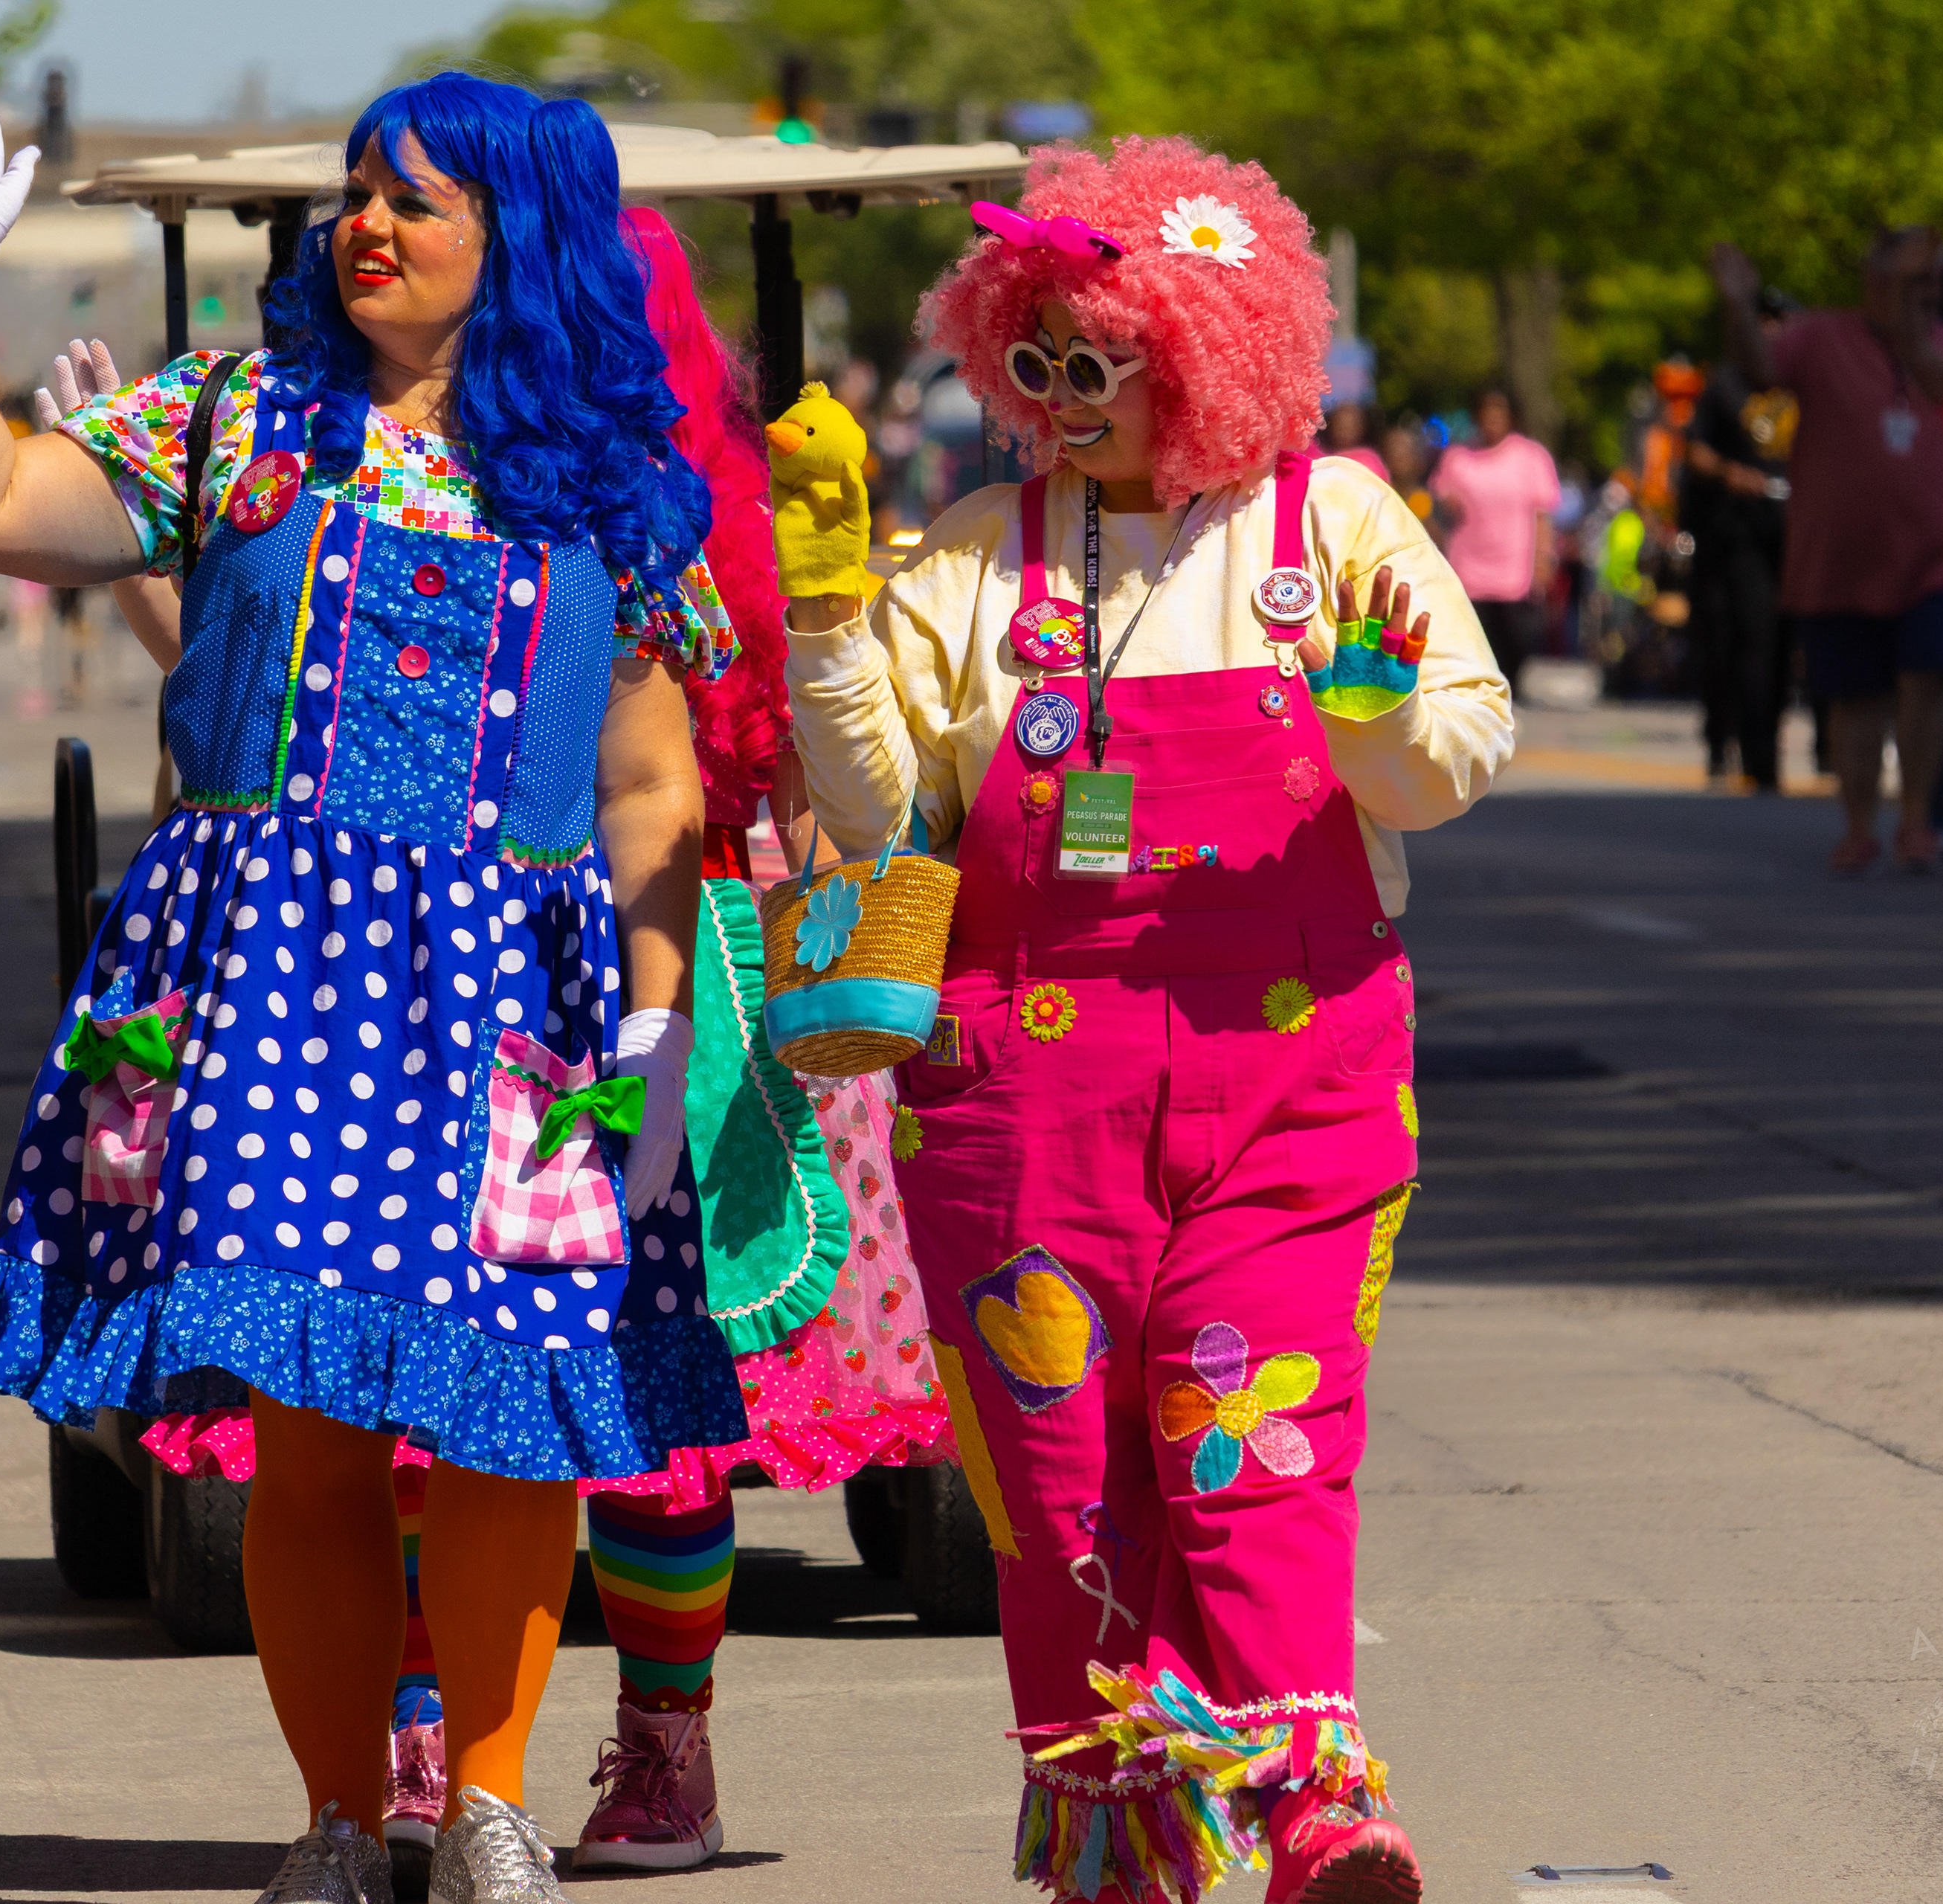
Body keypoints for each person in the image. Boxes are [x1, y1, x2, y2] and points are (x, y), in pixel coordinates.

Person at [0, 83, 747, 1904]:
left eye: (416, 201)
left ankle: (493, 1809)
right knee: (310, 1435)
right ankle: (343, 1816)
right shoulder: (233, 421)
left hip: (518, 1004)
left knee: (514, 1411)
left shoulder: (605, 478)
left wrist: (661, 1026)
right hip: (269, 986)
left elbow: (647, 787)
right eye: (357, 193)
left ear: (517, 239)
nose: (366, 223)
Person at [124, 210, 956, 1880]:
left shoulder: (617, 497)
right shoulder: (645, 486)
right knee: (609, 1404)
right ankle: (641, 1751)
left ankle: (453, 1743)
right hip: (644, 958)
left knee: (513, 1393)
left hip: (631, 976)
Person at [784, 137, 1512, 1903]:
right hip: (1025, 1100)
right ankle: (1121, 1833)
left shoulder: (1332, 523)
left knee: (1242, 1423)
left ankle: (1303, 1799)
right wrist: (822, 622)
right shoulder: (972, 551)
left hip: (1296, 1085)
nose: (1058, 399)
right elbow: (882, 816)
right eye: (1031, 359)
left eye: (1094, 361)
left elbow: (1452, 763)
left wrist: (1370, 714)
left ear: (1204, 349)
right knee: (1057, 1488)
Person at [1712, 230, 1943, 875]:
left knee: (1929, 682)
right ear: (1875, 284)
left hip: (1939, 555)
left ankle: (1916, 821)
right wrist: (1739, 306)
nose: (1926, 297)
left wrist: (1914, 337)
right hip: (1840, 557)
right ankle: (1860, 827)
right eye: (1912, 283)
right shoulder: (1821, 337)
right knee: (1857, 699)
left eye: (1932, 284)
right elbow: (1760, 369)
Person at [1681, 288, 1798, 790]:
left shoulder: (1805, 384)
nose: (1773, 329)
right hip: (1735, 534)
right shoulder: (1725, 385)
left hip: (1792, 532)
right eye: (1765, 319)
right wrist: (1732, 474)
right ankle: (1734, 744)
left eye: (1782, 319)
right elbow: (1696, 452)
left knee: (1780, 644)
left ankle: (1766, 745)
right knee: (1742, 640)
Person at [1427, 385, 1557, 690]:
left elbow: (1542, 515)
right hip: (1469, 567)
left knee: (1516, 641)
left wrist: (1544, 560)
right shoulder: (1458, 458)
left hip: (1515, 568)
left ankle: (1510, 694)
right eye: (1486, 413)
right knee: (1475, 642)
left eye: (1499, 412)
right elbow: (1437, 506)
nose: (1492, 419)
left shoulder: (1530, 456)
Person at [1319, 400, 1388, 482]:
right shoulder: (1319, 459)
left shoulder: (1370, 462)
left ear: (1361, 428)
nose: (1345, 430)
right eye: (1341, 425)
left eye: (1350, 425)